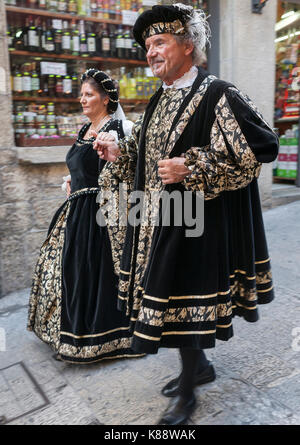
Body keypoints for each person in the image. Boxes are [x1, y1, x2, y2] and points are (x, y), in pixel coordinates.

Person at [94, 4, 279, 424]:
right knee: (170, 301)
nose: (151, 53)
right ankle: (198, 369)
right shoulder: (160, 96)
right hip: (160, 221)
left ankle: (190, 392)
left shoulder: (219, 94)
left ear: (188, 45)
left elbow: (261, 148)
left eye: (159, 43)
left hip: (198, 224)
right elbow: (146, 150)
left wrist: (191, 166)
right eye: (147, 46)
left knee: (184, 305)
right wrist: (120, 151)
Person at [27, 68, 143, 364]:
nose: (82, 99)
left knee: (95, 272)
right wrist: (71, 179)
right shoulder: (84, 130)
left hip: (99, 214)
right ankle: (73, 335)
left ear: (105, 99)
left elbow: (123, 173)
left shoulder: (117, 131)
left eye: (88, 94)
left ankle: (106, 338)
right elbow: (81, 166)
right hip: (76, 212)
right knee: (72, 271)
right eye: (81, 94)